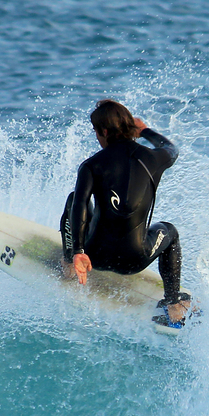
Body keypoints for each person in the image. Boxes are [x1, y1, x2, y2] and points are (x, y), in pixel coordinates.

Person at [60, 99, 193, 327]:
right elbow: (173, 149)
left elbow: (81, 206)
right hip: (135, 259)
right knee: (169, 231)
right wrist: (145, 130)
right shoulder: (153, 158)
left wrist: (79, 250)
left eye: (96, 132)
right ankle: (173, 305)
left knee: (74, 199)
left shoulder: (92, 165)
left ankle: (69, 266)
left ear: (103, 131)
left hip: (94, 256)